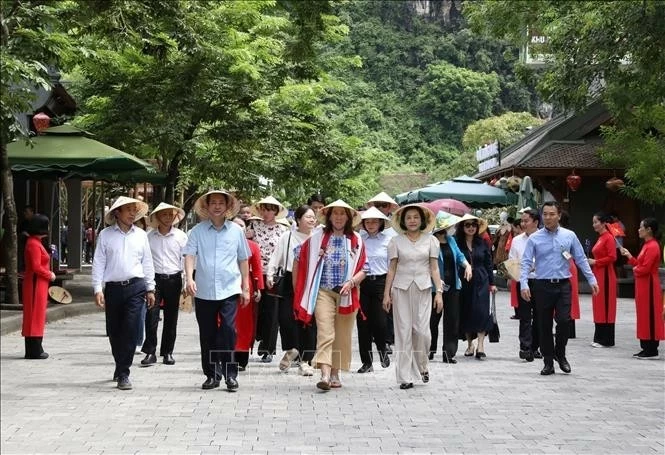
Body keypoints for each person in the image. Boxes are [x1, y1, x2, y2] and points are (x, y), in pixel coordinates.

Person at [292, 200, 366, 391]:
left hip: (347, 293)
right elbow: (298, 256)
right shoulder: (317, 237)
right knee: (325, 331)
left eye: (343, 214)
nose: (339, 217)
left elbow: (365, 268)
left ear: (348, 217)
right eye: (335, 214)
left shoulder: (356, 239)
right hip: (323, 291)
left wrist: (351, 282)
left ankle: (335, 373)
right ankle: (324, 374)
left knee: (342, 335)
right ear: (329, 216)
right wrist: (299, 287)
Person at [520, 201, 599, 376]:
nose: (547, 217)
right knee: (544, 325)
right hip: (542, 285)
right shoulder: (535, 238)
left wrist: (592, 279)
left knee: (564, 321)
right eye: (545, 214)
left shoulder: (569, 236)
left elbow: (580, 258)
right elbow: (526, 262)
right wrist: (524, 283)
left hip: (563, 284)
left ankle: (560, 353)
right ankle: (548, 361)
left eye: (551, 214)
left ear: (559, 215)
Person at [184, 190, 250, 391]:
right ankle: (212, 375)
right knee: (207, 334)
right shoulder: (197, 231)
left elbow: (243, 259)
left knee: (228, 331)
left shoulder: (236, 231)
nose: (217, 206)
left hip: (229, 289)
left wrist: (245, 287)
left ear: (228, 207)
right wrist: (189, 278)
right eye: (213, 202)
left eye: (221, 203)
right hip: (204, 290)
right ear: (207, 206)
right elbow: (189, 255)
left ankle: (231, 374)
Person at [92, 196, 155, 390]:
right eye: (128, 209)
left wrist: (150, 288)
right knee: (114, 331)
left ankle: (124, 372)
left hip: (136, 287)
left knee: (130, 328)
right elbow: (99, 262)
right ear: (117, 212)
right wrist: (97, 288)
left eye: (134, 210)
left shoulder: (141, 235)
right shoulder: (105, 235)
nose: (132, 213)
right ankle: (119, 364)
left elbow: (147, 262)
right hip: (113, 289)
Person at [382, 203, 440, 390]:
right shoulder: (396, 242)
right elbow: (392, 269)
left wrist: (439, 292)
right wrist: (386, 294)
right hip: (400, 290)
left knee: (422, 332)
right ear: (403, 221)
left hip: (423, 289)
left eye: (416, 217)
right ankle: (405, 376)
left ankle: (422, 366)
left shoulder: (431, 241)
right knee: (403, 332)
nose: (412, 220)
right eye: (408, 218)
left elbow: (434, 268)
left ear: (422, 220)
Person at [267, 205, 318, 375]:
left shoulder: (318, 237)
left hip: (311, 281)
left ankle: (305, 361)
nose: (312, 220)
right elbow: (276, 256)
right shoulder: (287, 236)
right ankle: (291, 349)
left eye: (313, 217)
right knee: (286, 318)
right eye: (308, 217)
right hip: (289, 280)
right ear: (298, 219)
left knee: (308, 321)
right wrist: (270, 273)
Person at [140, 202, 187, 366]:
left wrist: (187, 281)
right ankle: (150, 351)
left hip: (174, 279)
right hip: (154, 279)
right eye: (164, 214)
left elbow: (185, 260)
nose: (168, 217)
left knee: (171, 317)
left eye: (170, 214)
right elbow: (144, 260)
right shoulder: (149, 237)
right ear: (158, 217)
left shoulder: (181, 236)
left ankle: (168, 352)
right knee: (151, 316)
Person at [429, 211, 472, 364]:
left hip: (453, 286)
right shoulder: (430, 241)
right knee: (432, 320)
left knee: (452, 320)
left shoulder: (451, 240)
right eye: (448, 225)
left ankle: (449, 353)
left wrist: (467, 266)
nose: (451, 228)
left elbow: (460, 256)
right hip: (435, 288)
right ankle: (430, 349)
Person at [356, 206, 394, 373]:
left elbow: (391, 267)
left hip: (381, 282)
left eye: (374, 221)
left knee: (380, 322)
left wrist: (388, 292)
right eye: (367, 221)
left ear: (381, 223)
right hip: (361, 283)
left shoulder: (388, 240)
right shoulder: (358, 238)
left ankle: (383, 349)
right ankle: (367, 362)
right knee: (363, 324)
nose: (371, 224)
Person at [252, 196, 289, 363]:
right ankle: (256, 336)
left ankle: (268, 348)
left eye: (270, 210)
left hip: (274, 274)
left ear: (276, 211)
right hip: (255, 272)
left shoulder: (283, 230)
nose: (267, 213)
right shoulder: (254, 226)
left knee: (272, 312)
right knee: (256, 309)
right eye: (264, 209)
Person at [620, 218, 664, 359]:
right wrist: (629, 256)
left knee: (649, 315)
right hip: (643, 284)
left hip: (649, 285)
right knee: (644, 315)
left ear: (649, 229)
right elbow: (640, 264)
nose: (639, 230)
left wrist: (636, 269)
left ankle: (651, 349)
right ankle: (646, 346)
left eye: (641, 227)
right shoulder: (647, 245)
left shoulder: (653, 246)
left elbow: (644, 268)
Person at [455, 213, 497, 361]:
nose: (471, 227)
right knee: (466, 310)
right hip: (464, 280)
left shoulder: (482, 243)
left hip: (481, 279)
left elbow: (489, 264)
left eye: (474, 225)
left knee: (481, 311)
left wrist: (492, 284)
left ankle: (481, 345)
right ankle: (469, 344)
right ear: (462, 227)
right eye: (467, 225)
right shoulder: (456, 242)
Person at [367, 192, 399, 351]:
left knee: (386, 311)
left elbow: (394, 262)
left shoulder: (394, 230)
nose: (380, 208)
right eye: (377, 205)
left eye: (384, 205)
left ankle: (386, 340)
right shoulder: (362, 233)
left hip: (386, 276)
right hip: (365, 278)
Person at [231, 216, 264, 372]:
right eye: (235, 225)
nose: (238, 228)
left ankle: (242, 356)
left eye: (241, 226)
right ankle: (226, 354)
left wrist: (258, 289)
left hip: (246, 287)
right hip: (226, 286)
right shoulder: (224, 245)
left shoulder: (253, 246)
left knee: (245, 323)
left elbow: (257, 269)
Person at [22, 213, 56, 359]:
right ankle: (34, 350)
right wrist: (50, 274)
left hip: (38, 283)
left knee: (37, 314)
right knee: (35, 315)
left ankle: (35, 348)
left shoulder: (35, 242)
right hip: (36, 283)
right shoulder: (33, 244)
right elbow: (36, 267)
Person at [509, 208, 541, 362]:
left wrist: (537, 266)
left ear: (535, 222)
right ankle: (525, 347)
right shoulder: (516, 240)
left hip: (541, 281)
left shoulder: (545, 237)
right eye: (522, 220)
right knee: (525, 316)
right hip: (523, 280)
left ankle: (536, 347)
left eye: (526, 220)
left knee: (540, 316)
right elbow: (512, 260)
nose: (523, 223)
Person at [588, 212, 617, 348]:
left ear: (604, 223)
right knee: (599, 305)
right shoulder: (601, 238)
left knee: (605, 305)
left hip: (605, 275)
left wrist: (596, 261)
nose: (594, 225)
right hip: (598, 273)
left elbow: (612, 257)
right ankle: (599, 337)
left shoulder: (609, 238)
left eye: (596, 222)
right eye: (593, 222)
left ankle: (606, 339)